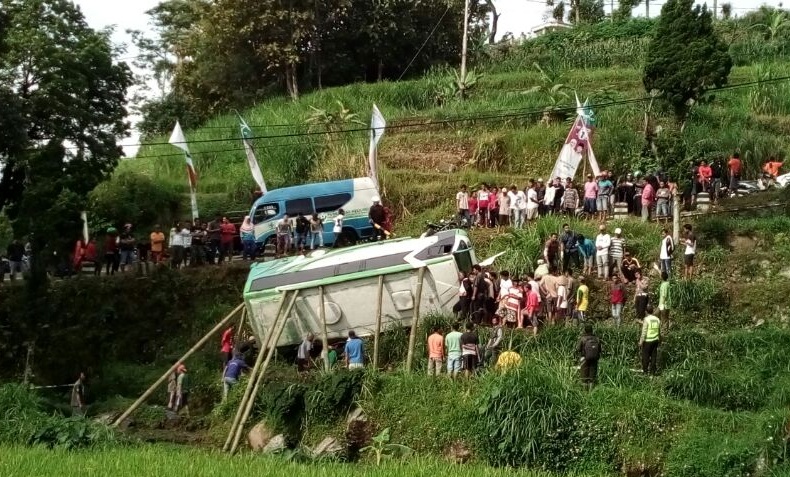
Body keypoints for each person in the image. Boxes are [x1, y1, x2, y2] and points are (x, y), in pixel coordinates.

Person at [576, 324, 601, 390]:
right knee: (592, 378)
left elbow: (578, 349)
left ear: (585, 330)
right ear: (592, 330)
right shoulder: (597, 338)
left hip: (584, 358)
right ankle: (591, 393)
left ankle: (584, 394)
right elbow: (600, 349)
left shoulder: (582, 338)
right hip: (594, 359)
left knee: (584, 377)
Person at [640, 305, 661, 375]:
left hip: (647, 341)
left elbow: (644, 331)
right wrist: (660, 339)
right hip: (655, 340)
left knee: (645, 357)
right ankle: (652, 372)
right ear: (652, 311)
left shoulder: (646, 319)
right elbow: (659, 330)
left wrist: (641, 341)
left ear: (646, 312)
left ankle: (645, 372)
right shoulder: (657, 319)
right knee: (654, 356)